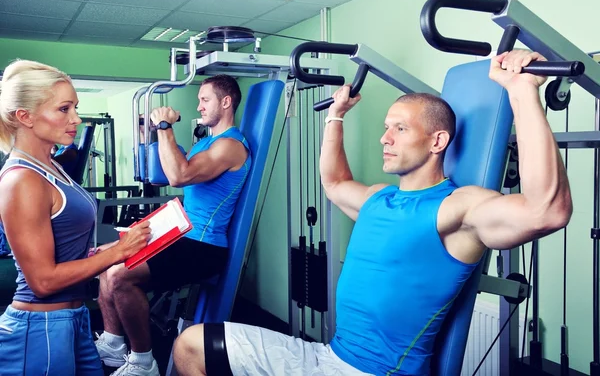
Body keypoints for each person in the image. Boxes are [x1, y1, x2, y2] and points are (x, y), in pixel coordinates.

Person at [171, 49, 573, 376]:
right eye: (386, 127)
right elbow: (333, 183)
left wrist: (521, 91)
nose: (384, 137)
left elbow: (546, 211)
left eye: (399, 128)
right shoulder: (380, 198)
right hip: (326, 358)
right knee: (191, 345)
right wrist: (335, 116)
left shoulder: (456, 207)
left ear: (437, 141)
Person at [0, 59, 151, 375]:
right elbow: (42, 281)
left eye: (75, 107)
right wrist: (119, 253)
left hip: (74, 320)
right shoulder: (22, 180)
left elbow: (63, 245)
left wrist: (102, 252)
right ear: (25, 117)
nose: (76, 118)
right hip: (39, 328)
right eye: (64, 109)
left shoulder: (50, 166)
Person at [95, 74, 251, 375]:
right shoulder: (207, 143)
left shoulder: (231, 146)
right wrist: (155, 131)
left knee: (119, 277)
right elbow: (169, 171)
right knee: (105, 260)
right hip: (181, 234)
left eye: (205, 99)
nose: (200, 105)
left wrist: (165, 126)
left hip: (204, 247)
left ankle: (143, 361)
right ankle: (114, 343)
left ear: (226, 102)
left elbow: (179, 176)